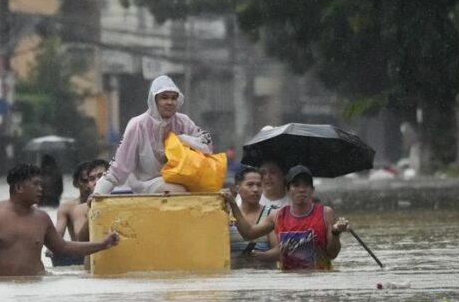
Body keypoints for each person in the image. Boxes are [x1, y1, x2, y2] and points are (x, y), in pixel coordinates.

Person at [0, 163, 119, 279]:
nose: (41, 189)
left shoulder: (41, 218)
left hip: (36, 289)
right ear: (18, 187)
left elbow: (64, 247)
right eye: (36, 184)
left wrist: (102, 244)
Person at [93, 75, 212, 196]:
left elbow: (206, 142)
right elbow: (118, 166)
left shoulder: (184, 121)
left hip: (183, 179)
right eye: (164, 98)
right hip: (147, 183)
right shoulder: (137, 125)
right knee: (178, 192)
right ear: (154, 100)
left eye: (173, 98)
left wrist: (183, 140)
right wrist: (98, 194)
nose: (169, 102)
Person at [220, 165, 350, 271]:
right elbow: (248, 234)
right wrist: (233, 204)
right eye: (296, 185)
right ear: (287, 190)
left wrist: (336, 232)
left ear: (312, 190)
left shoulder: (325, 213)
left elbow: (332, 254)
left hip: (319, 278)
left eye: (306, 186)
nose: (301, 190)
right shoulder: (277, 215)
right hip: (288, 281)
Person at [51, 159, 109, 267]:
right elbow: (80, 240)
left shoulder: (126, 202)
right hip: (85, 261)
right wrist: (92, 210)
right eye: (90, 179)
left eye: (101, 176)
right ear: (76, 183)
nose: (96, 182)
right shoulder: (77, 209)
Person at [226, 166, 279, 268]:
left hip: (265, 278)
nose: (255, 189)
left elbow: (280, 250)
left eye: (259, 185)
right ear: (238, 188)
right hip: (234, 280)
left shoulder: (271, 214)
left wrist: (263, 256)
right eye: (250, 185)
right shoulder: (227, 216)